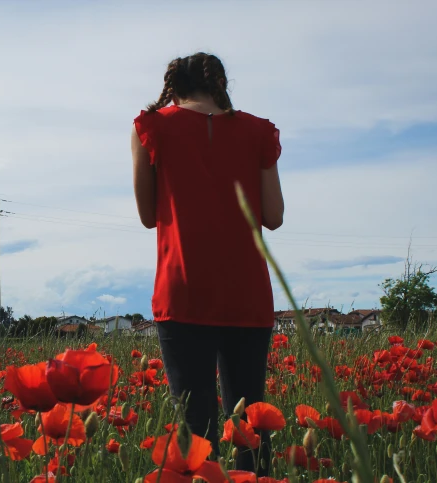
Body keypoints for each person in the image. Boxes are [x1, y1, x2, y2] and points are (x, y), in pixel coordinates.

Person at [130, 52, 283, 475]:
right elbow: (273, 216)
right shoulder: (258, 131)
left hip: (183, 290)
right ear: (219, 83)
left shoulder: (153, 126)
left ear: (173, 86)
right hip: (247, 292)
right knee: (250, 424)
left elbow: (147, 216)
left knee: (196, 431)